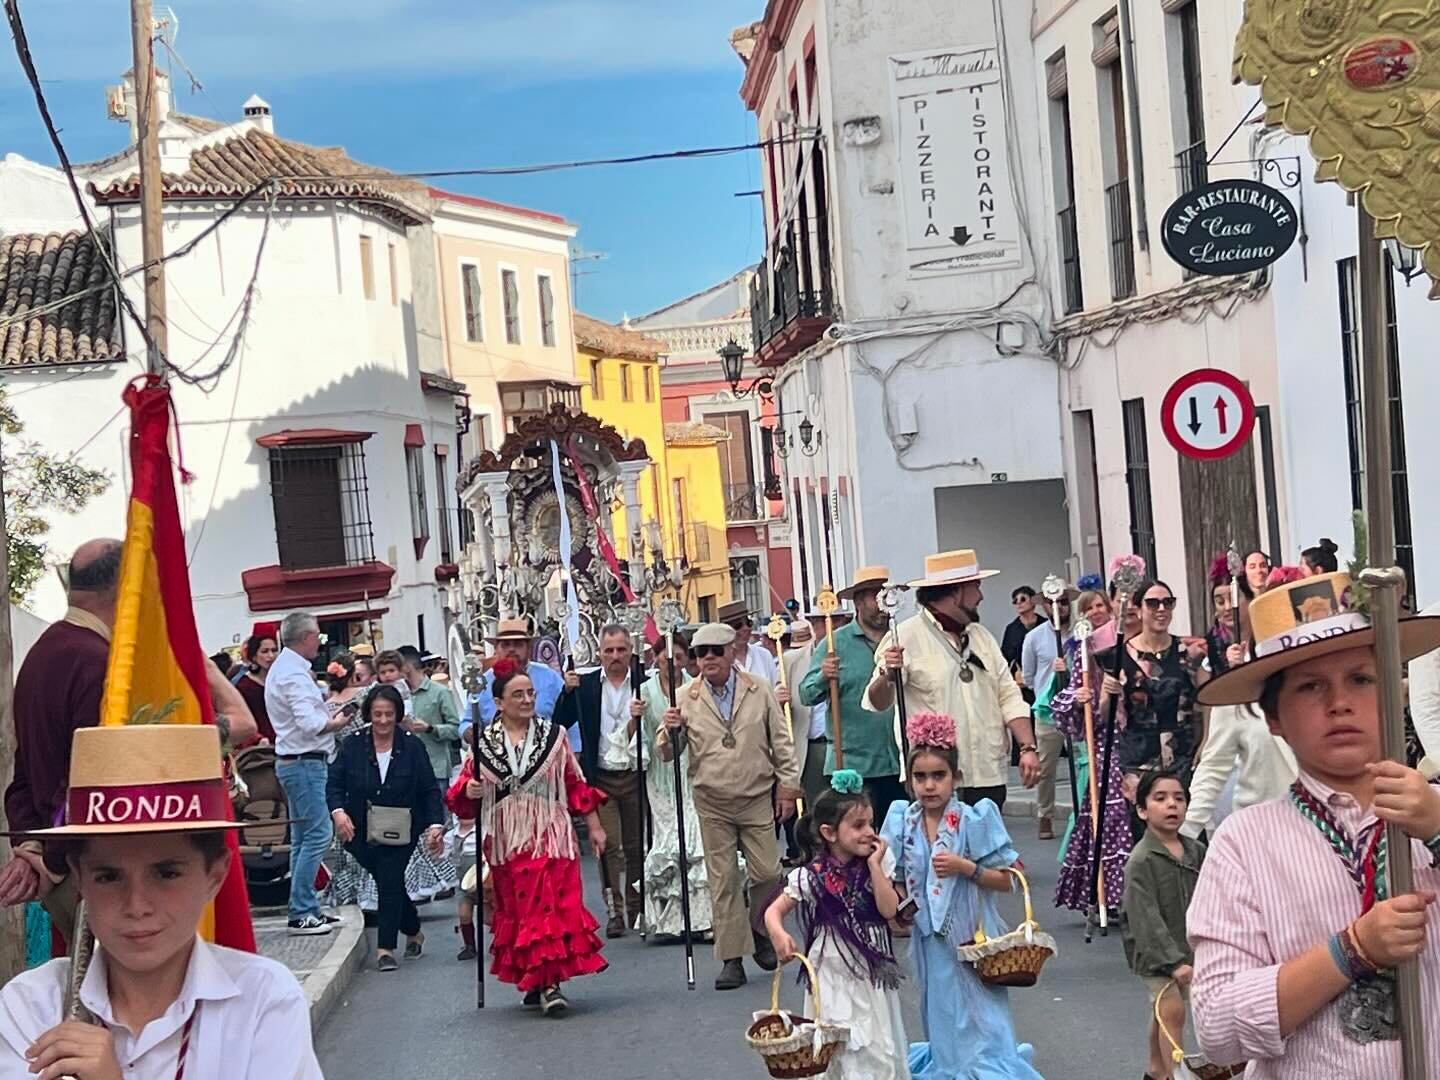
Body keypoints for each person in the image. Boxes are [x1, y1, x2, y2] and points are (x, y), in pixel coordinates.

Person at [1187, 570, 1440, 1076]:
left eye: (1362, 680)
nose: (1340, 702)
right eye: (1310, 686)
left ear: (1396, 691)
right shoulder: (1245, 842)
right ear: (1273, 717)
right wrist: (1352, 951)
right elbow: (1217, 1028)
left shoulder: (1432, 817)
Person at [0, 723, 322, 1078]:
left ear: (214, 875)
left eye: (167, 874)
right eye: (108, 877)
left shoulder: (263, 1002)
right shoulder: (30, 1005)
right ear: (79, 879)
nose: (137, 905)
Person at [880, 711, 1043, 1079]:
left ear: (955, 778)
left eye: (939, 776)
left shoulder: (974, 818)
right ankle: (951, 1065)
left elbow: (1009, 879)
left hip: (972, 934)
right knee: (941, 1011)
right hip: (930, 938)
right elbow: (901, 875)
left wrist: (965, 867)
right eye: (920, 777)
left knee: (982, 1015)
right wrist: (901, 898)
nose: (929, 786)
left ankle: (987, 1067)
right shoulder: (903, 819)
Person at [447, 658, 608, 1016]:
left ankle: (551, 983)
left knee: (549, 906)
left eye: (530, 693)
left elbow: (574, 783)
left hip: (550, 833)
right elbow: (462, 791)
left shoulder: (554, 737)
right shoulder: (484, 744)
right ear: (499, 702)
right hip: (507, 838)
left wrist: (594, 826)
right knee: (519, 910)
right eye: (517, 694)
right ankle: (536, 978)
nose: (526, 700)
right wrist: (470, 790)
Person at [662, 622, 801, 991]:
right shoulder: (685, 696)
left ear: (730, 653)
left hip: (757, 796)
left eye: (714, 651)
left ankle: (759, 927)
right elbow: (666, 753)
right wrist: (669, 730)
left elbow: (781, 741)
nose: (707, 659)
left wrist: (788, 787)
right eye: (700, 653)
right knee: (723, 881)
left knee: (768, 872)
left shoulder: (759, 689)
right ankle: (732, 959)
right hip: (712, 800)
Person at [0, 540, 121, 944]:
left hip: (61, 862)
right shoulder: (95, 660)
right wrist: (47, 858)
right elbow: (89, 778)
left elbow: (25, 776)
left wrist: (31, 846)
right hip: (86, 868)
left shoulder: (43, 652)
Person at [866, 549, 1042, 809]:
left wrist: (1027, 747)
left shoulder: (982, 637)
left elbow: (1008, 695)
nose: (981, 596)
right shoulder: (905, 637)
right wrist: (888, 675)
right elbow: (877, 701)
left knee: (986, 849)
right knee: (942, 850)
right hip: (935, 779)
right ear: (954, 591)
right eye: (975, 587)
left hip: (987, 772)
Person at [765, 782, 909, 1080]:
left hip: (870, 974)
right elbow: (773, 911)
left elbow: (889, 910)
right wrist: (779, 933)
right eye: (858, 825)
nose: (869, 831)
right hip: (830, 972)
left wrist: (875, 866)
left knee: (875, 1044)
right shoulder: (812, 875)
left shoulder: (878, 863)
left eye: (871, 823)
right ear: (829, 833)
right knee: (837, 1043)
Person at [327, 684, 445, 972]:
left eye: (388, 714)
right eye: (377, 714)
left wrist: (435, 825)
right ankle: (414, 929)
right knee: (387, 881)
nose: (382, 721)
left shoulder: (412, 745)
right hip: (357, 828)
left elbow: (429, 788)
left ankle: (385, 948)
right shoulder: (353, 744)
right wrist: (338, 813)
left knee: (390, 877)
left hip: (401, 826)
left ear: (398, 714)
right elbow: (334, 783)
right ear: (368, 714)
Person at [556, 624, 647, 938]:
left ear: (630, 652)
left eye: (621, 650)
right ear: (599, 653)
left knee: (637, 846)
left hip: (636, 773)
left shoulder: (643, 682)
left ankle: (638, 906)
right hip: (602, 776)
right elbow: (561, 721)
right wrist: (566, 691)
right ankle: (614, 909)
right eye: (609, 650)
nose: (615, 656)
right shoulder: (587, 685)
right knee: (608, 846)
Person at [266, 611, 354, 936]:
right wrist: (338, 722)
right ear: (306, 637)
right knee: (317, 834)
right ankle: (302, 909)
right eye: (317, 635)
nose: (319, 640)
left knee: (304, 838)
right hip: (303, 761)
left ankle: (306, 906)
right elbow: (309, 723)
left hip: (297, 760)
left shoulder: (286, 669)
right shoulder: (292, 673)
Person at [1050, 587, 1133, 915]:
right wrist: (1086, 697)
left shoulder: (1125, 639)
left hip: (1136, 739)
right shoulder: (1083, 653)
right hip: (1105, 744)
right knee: (1108, 816)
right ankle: (1106, 893)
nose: (1097, 610)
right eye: (1090, 607)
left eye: (1101, 604)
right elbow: (1070, 705)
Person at [1121, 771, 1206, 1080]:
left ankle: (1156, 1071)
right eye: (1160, 798)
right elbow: (1144, 917)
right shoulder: (1141, 859)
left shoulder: (1196, 851)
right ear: (1142, 810)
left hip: (1188, 948)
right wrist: (1172, 961)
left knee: (1162, 1013)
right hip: (1156, 953)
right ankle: (1175, 1074)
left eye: (1179, 798)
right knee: (1172, 1011)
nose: (1172, 805)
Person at [801, 566, 903, 818]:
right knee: (857, 841)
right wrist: (824, 676)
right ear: (859, 600)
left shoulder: (901, 637)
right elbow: (806, 694)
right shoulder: (835, 644)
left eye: (885, 593)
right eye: (874, 594)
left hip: (901, 762)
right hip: (854, 766)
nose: (881, 601)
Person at [1098, 580, 1208, 812]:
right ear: (1138, 610)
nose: (1161, 609)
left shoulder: (1189, 652)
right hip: (1138, 757)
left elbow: (1206, 700)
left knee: (1186, 829)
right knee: (1144, 832)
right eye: (1153, 603)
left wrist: (1206, 740)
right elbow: (1106, 714)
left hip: (1183, 755)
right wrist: (1108, 695)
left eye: (1167, 603)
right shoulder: (1117, 656)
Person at [639, 633, 714, 939]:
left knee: (696, 839)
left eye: (681, 658)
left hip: (690, 768)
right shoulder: (644, 691)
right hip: (660, 771)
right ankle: (669, 919)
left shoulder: (694, 689)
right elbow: (641, 736)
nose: (673, 663)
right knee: (668, 843)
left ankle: (703, 917)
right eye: (667, 657)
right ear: (656, 658)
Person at [1020, 582, 1075, 839]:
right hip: (1048, 710)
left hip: (1077, 708)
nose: (1060, 607)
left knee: (1082, 763)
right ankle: (1045, 814)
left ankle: (1083, 813)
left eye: (1064, 602)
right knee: (1046, 767)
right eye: (1054, 602)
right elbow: (1029, 676)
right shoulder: (1034, 638)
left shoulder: (1080, 633)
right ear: (1044, 605)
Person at [463, 617, 568, 737]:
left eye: (518, 644)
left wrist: (575, 749)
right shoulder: (481, 683)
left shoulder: (549, 677)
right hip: (495, 752)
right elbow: (467, 722)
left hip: (546, 751)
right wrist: (469, 733)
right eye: (505, 645)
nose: (511, 650)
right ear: (496, 649)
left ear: (529, 648)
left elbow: (570, 717)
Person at [397, 644, 463, 788]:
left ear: (406, 666)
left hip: (435, 769)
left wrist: (430, 728)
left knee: (438, 809)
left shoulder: (440, 692)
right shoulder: (397, 694)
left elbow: (456, 729)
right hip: (405, 769)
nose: (393, 672)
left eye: (396, 666)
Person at [719, 599, 779, 685]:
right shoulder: (720, 661)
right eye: (738, 625)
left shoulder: (764, 655)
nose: (746, 628)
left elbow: (774, 687)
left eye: (748, 623)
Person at [235, 632, 279, 745]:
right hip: (260, 745)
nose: (271, 656)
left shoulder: (281, 680)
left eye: (274, 650)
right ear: (254, 656)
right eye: (265, 651)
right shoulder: (244, 686)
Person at [447, 814, 480, 960]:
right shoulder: (451, 835)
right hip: (463, 884)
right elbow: (441, 853)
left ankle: (499, 943)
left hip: (484, 883)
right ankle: (469, 945)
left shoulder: (483, 831)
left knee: (490, 917)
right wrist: (435, 845)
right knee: (464, 914)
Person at [1001, 586, 1045, 696]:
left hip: (1044, 678)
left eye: (1023, 599)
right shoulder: (1011, 629)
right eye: (1015, 601)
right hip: (1022, 685)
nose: (1019, 603)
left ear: (1033, 601)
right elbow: (1005, 658)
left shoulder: (1045, 625)